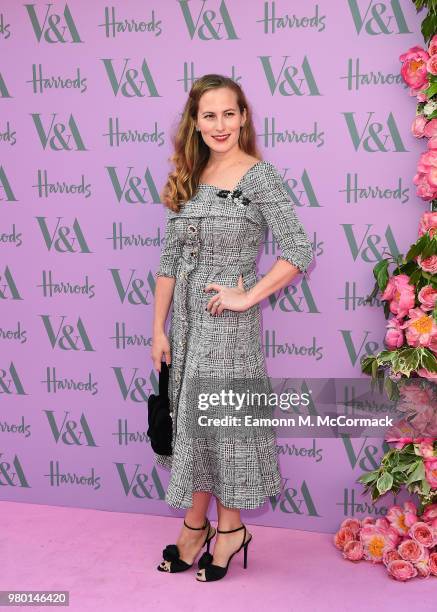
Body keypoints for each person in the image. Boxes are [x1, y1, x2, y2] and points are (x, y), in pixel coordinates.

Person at [151, 74, 314, 582]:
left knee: (226, 428)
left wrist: (247, 295)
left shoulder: (259, 177)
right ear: (194, 123)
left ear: (243, 117)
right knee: (198, 428)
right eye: (208, 115)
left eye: (228, 113)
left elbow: (299, 250)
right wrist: (159, 329)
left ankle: (229, 528)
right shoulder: (191, 175)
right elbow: (169, 262)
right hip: (189, 327)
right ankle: (198, 525)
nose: (219, 125)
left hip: (228, 327)